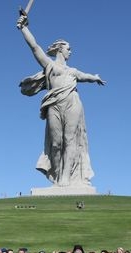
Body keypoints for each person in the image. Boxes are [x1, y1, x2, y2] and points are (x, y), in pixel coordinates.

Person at [16, 12, 106, 187]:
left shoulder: (72, 71)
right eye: (68, 48)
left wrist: (94, 77)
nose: (70, 51)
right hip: (54, 104)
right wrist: (24, 28)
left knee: (70, 139)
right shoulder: (50, 65)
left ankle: (65, 178)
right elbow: (34, 47)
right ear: (59, 49)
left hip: (72, 102)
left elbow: (85, 76)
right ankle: (57, 176)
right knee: (56, 143)